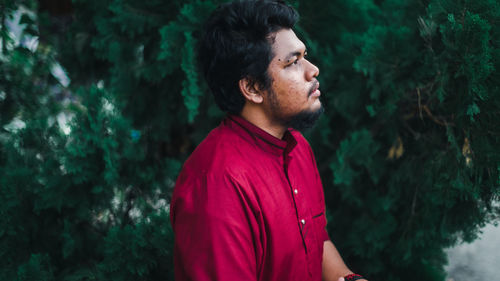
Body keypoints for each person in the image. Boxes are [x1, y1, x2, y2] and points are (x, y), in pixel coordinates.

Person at [169, 1, 367, 280]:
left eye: (304, 56)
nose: (313, 70)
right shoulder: (216, 186)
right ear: (252, 88)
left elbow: (316, 241)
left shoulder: (297, 146)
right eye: (293, 62)